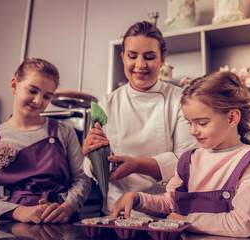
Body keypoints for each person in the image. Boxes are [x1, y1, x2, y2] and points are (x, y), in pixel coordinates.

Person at [111, 71, 250, 237]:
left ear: (232, 118)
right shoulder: (189, 160)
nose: (193, 131)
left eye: (202, 123)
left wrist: (185, 220)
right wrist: (137, 198)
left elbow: (242, 223)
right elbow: (169, 204)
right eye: (190, 123)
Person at [82, 21, 199, 217]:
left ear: (162, 59)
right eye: (132, 56)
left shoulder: (180, 99)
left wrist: (136, 165)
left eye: (150, 57)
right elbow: (90, 165)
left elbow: (187, 162)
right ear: (123, 57)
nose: (140, 65)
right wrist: (93, 160)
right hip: (115, 212)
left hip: (165, 212)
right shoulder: (107, 102)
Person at [0, 58, 92, 224]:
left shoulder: (64, 131)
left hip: (61, 222)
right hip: (13, 225)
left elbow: (82, 180)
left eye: (47, 96)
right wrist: (19, 212)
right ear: (14, 85)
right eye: (32, 91)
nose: (38, 101)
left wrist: (67, 208)